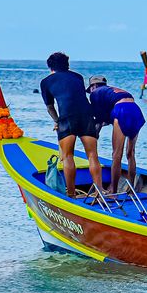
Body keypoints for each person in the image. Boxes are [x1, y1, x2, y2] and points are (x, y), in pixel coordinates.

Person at [40, 52, 102, 197]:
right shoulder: (78, 77)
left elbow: (50, 107)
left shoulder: (45, 82)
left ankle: (72, 194)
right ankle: (99, 191)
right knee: (92, 155)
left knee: (68, 157)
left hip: (66, 118)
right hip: (86, 116)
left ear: (50, 67)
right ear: (67, 64)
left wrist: (57, 121)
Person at [88, 76, 145, 194]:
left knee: (116, 155)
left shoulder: (95, 94)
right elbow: (107, 118)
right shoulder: (111, 91)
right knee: (130, 153)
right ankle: (131, 188)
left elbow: (98, 121)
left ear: (93, 87)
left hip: (121, 110)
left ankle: (113, 190)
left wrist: (94, 137)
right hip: (136, 110)